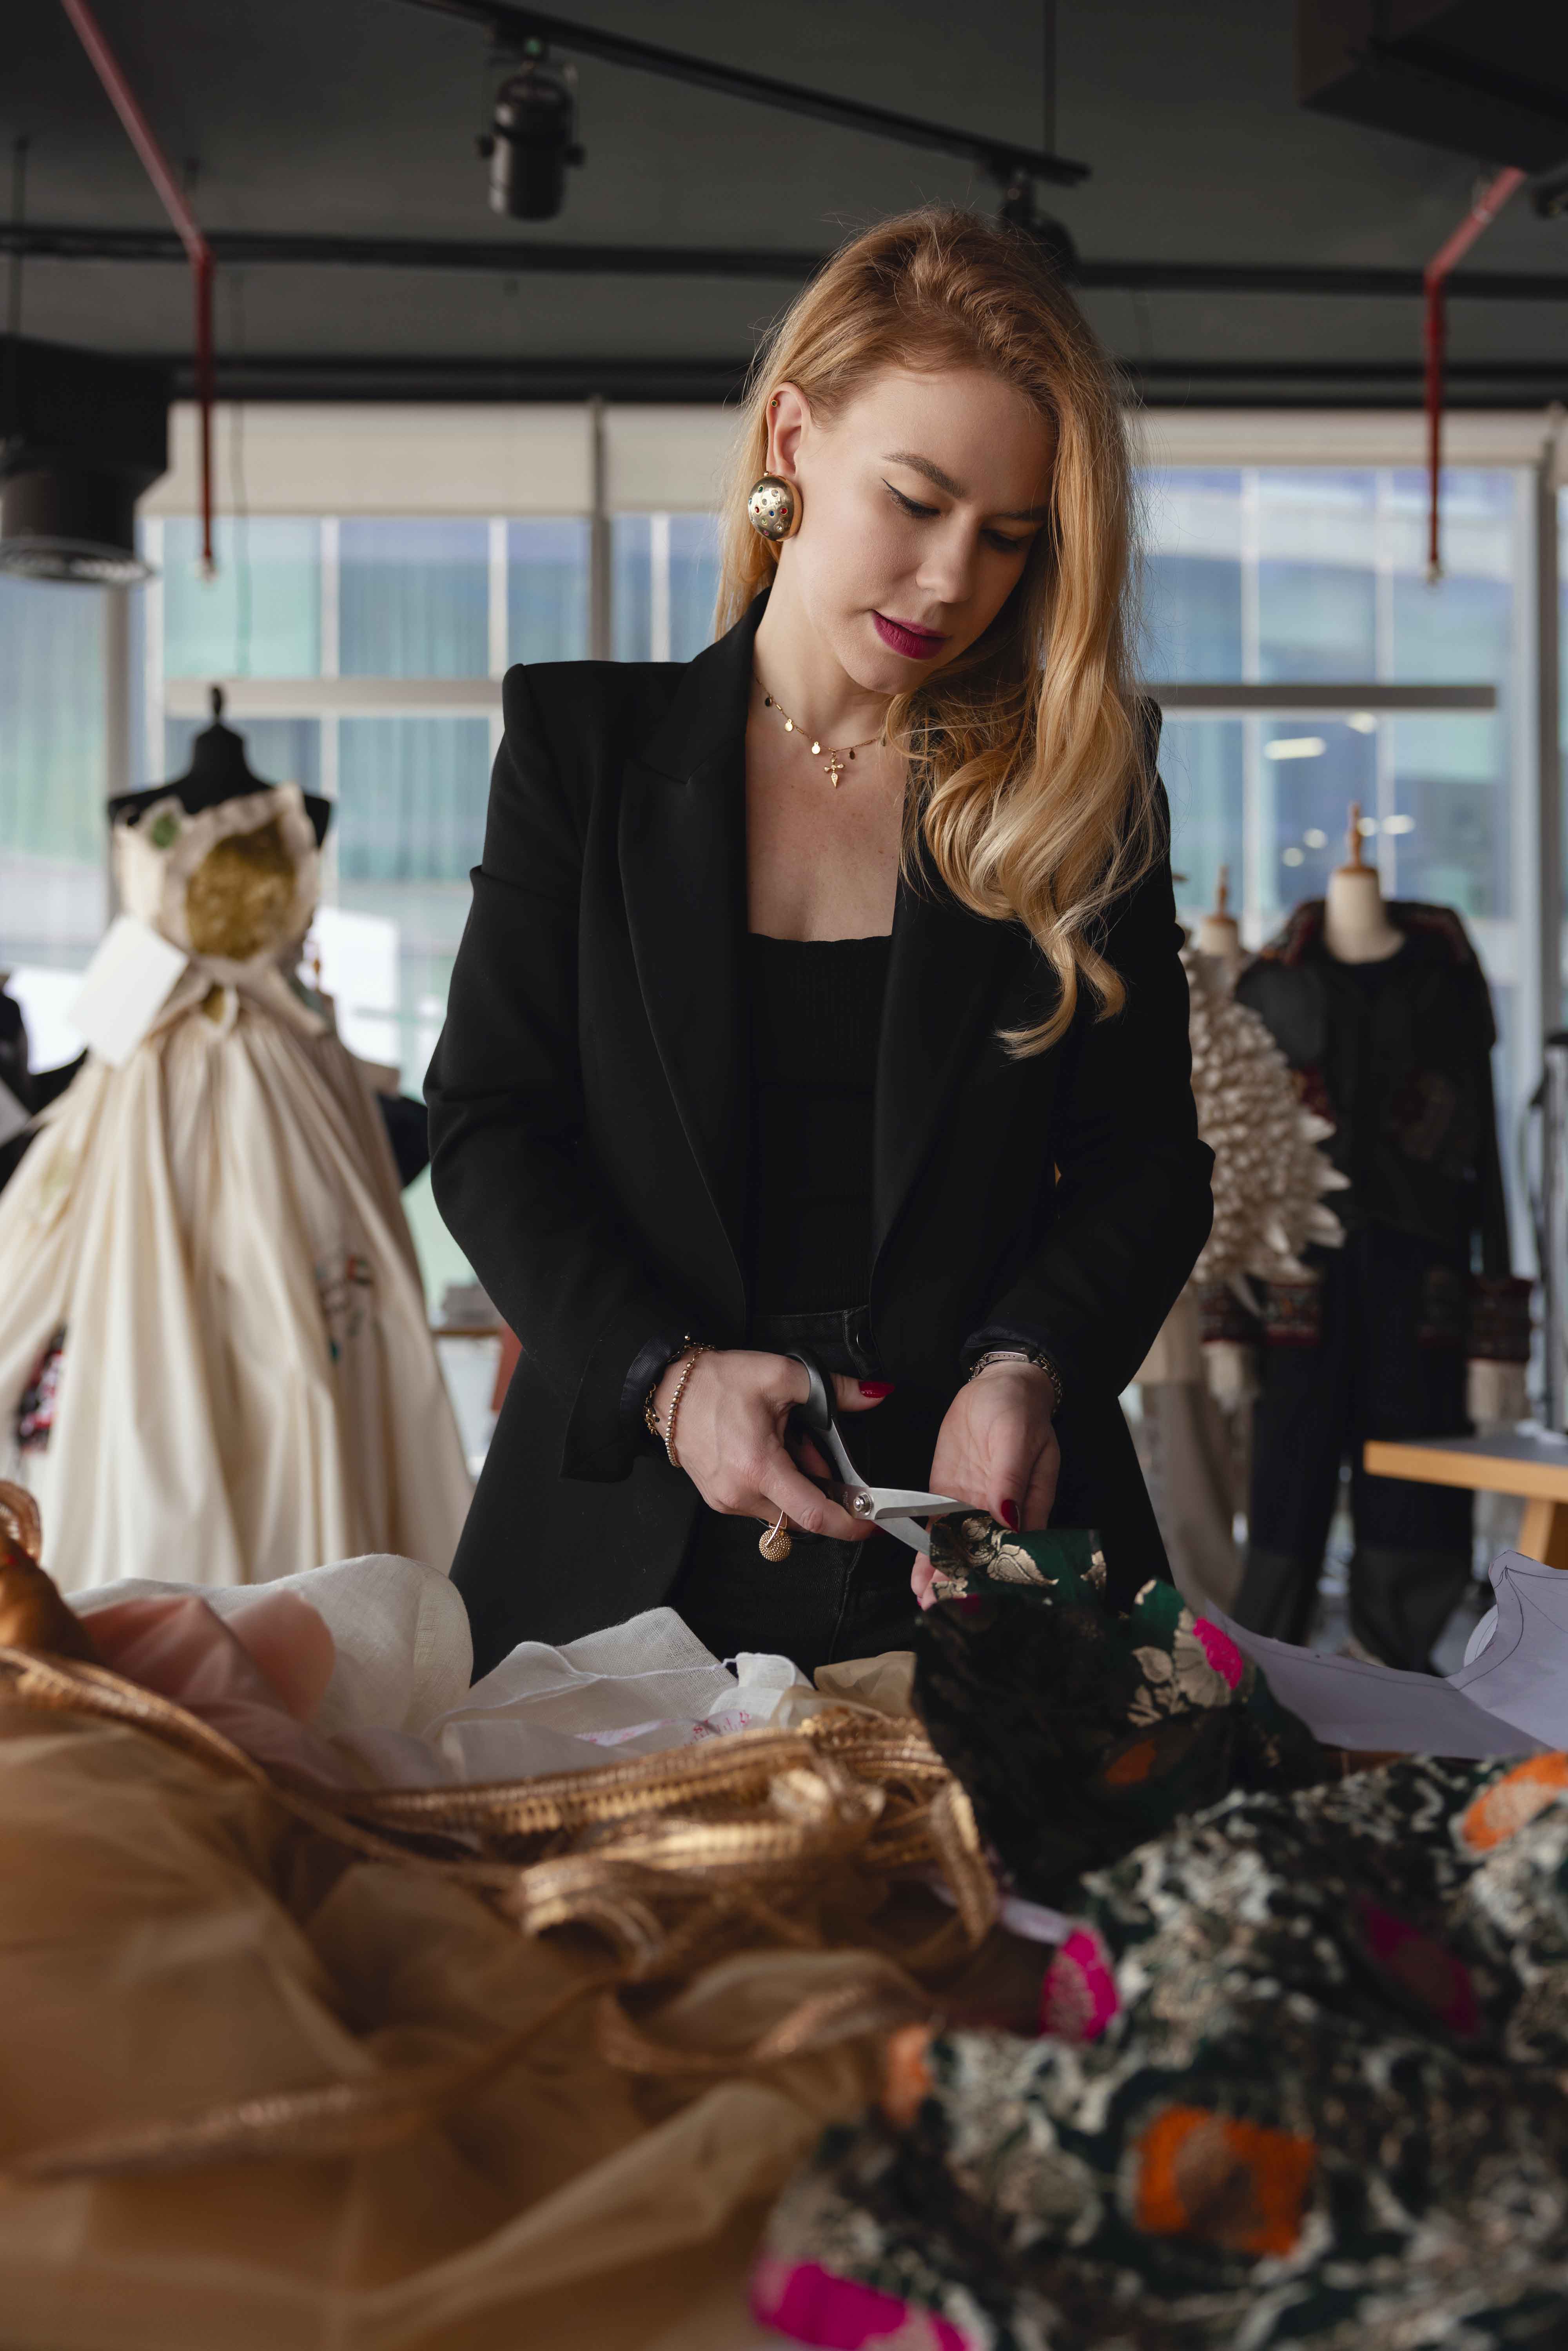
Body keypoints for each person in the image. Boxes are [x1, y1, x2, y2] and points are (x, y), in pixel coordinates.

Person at [426, 207, 1213, 1678]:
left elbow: (1147, 1161)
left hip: (984, 1537)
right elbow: (488, 1128)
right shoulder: (578, 749)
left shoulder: (1083, 781)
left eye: (1008, 539)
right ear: (792, 439)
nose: (947, 582)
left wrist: (1028, 1368)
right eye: (913, 502)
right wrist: (666, 1384)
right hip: (615, 1552)